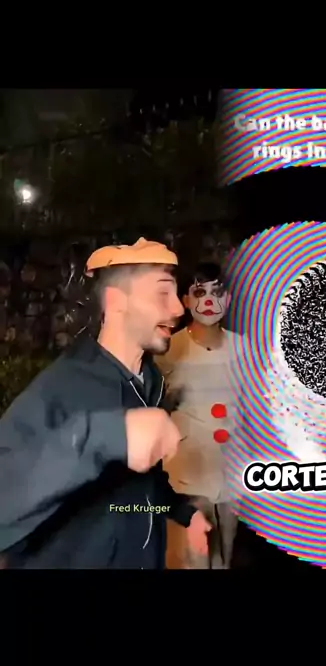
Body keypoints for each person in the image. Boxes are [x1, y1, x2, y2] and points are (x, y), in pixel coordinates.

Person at [0, 238, 211, 569]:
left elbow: (132, 492)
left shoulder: (150, 381)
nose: (178, 309)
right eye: (162, 293)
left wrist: (183, 512)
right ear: (116, 301)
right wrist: (106, 435)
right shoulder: (61, 386)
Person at [157, 261, 240, 569]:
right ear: (186, 299)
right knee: (195, 560)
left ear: (228, 299)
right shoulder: (168, 350)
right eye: (199, 292)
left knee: (223, 559)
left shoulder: (245, 351)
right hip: (187, 476)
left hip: (231, 477)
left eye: (216, 292)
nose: (208, 301)